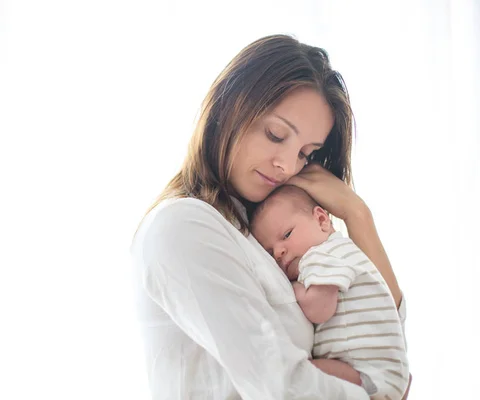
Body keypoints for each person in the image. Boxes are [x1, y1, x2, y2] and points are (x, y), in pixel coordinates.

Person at [131, 34, 412, 399]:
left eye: (305, 154)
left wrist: (358, 216)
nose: (286, 166)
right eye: (276, 134)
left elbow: (381, 342)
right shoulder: (184, 226)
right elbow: (279, 386)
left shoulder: (269, 240)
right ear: (231, 107)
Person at [250, 185, 410, 399]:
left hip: (369, 375)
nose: (279, 252)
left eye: (287, 234)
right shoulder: (337, 253)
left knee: (298, 374)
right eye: (270, 253)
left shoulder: (322, 255)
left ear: (322, 220)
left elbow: (319, 309)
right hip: (384, 376)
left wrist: (294, 289)